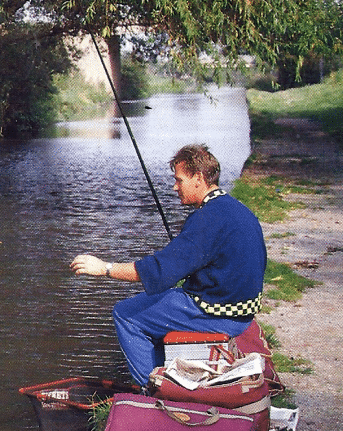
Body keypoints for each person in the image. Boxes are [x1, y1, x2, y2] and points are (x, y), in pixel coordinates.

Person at [69, 144, 267, 386]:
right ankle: (171, 373)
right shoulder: (236, 209)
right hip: (242, 313)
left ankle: (154, 390)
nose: (175, 187)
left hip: (216, 313)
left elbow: (158, 272)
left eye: (179, 180)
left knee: (126, 314)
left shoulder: (206, 220)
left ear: (198, 177)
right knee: (160, 302)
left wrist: (105, 268)